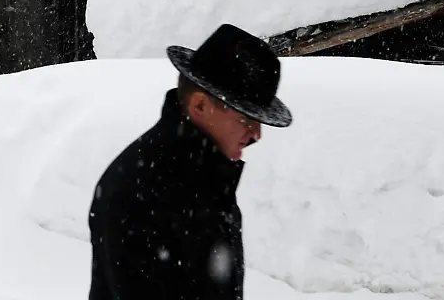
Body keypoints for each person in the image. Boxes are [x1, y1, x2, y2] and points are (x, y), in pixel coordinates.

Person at [88, 24, 293, 300]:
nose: (256, 134)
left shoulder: (207, 176)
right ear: (199, 106)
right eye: (247, 119)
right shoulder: (140, 189)